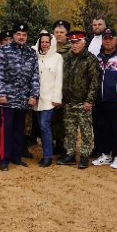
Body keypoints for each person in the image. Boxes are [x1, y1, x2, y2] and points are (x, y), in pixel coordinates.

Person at [0, 23, 40, 171]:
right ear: (13, 35)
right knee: (6, 129)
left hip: (23, 98)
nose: (21, 37)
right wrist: (1, 93)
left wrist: (34, 94)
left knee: (19, 129)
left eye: (24, 35)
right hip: (7, 98)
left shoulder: (31, 52)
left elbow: (35, 75)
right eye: (19, 34)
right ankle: (4, 159)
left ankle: (16, 156)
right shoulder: (4, 50)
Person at [56, 31, 101, 169]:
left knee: (86, 131)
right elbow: (61, 78)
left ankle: (84, 156)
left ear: (84, 42)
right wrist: (61, 97)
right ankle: (70, 154)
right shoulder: (67, 58)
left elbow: (95, 81)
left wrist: (89, 100)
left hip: (83, 102)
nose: (74, 45)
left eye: (77, 42)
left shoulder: (90, 59)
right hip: (69, 102)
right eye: (72, 42)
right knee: (69, 130)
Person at [92, 27, 117, 170]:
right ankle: (105, 154)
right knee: (102, 128)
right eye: (105, 39)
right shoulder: (98, 58)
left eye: (110, 38)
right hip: (100, 100)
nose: (107, 41)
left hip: (116, 100)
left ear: (115, 40)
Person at [35, 30, 63, 167]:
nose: (45, 44)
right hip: (38, 99)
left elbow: (59, 79)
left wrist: (57, 97)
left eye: (47, 42)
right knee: (41, 126)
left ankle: (47, 156)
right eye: (43, 42)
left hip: (50, 99)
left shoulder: (57, 57)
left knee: (45, 125)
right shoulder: (36, 56)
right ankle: (46, 153)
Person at [50, 19, 72, 158]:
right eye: (56, 32)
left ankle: (65, 148)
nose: (59, 35)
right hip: (51, 91)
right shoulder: (49, 48)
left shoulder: (71, 49)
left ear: (67, 34)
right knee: (53, 121)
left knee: (65, 122)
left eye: (62, 32)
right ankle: (56, 146)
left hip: (65, 91)